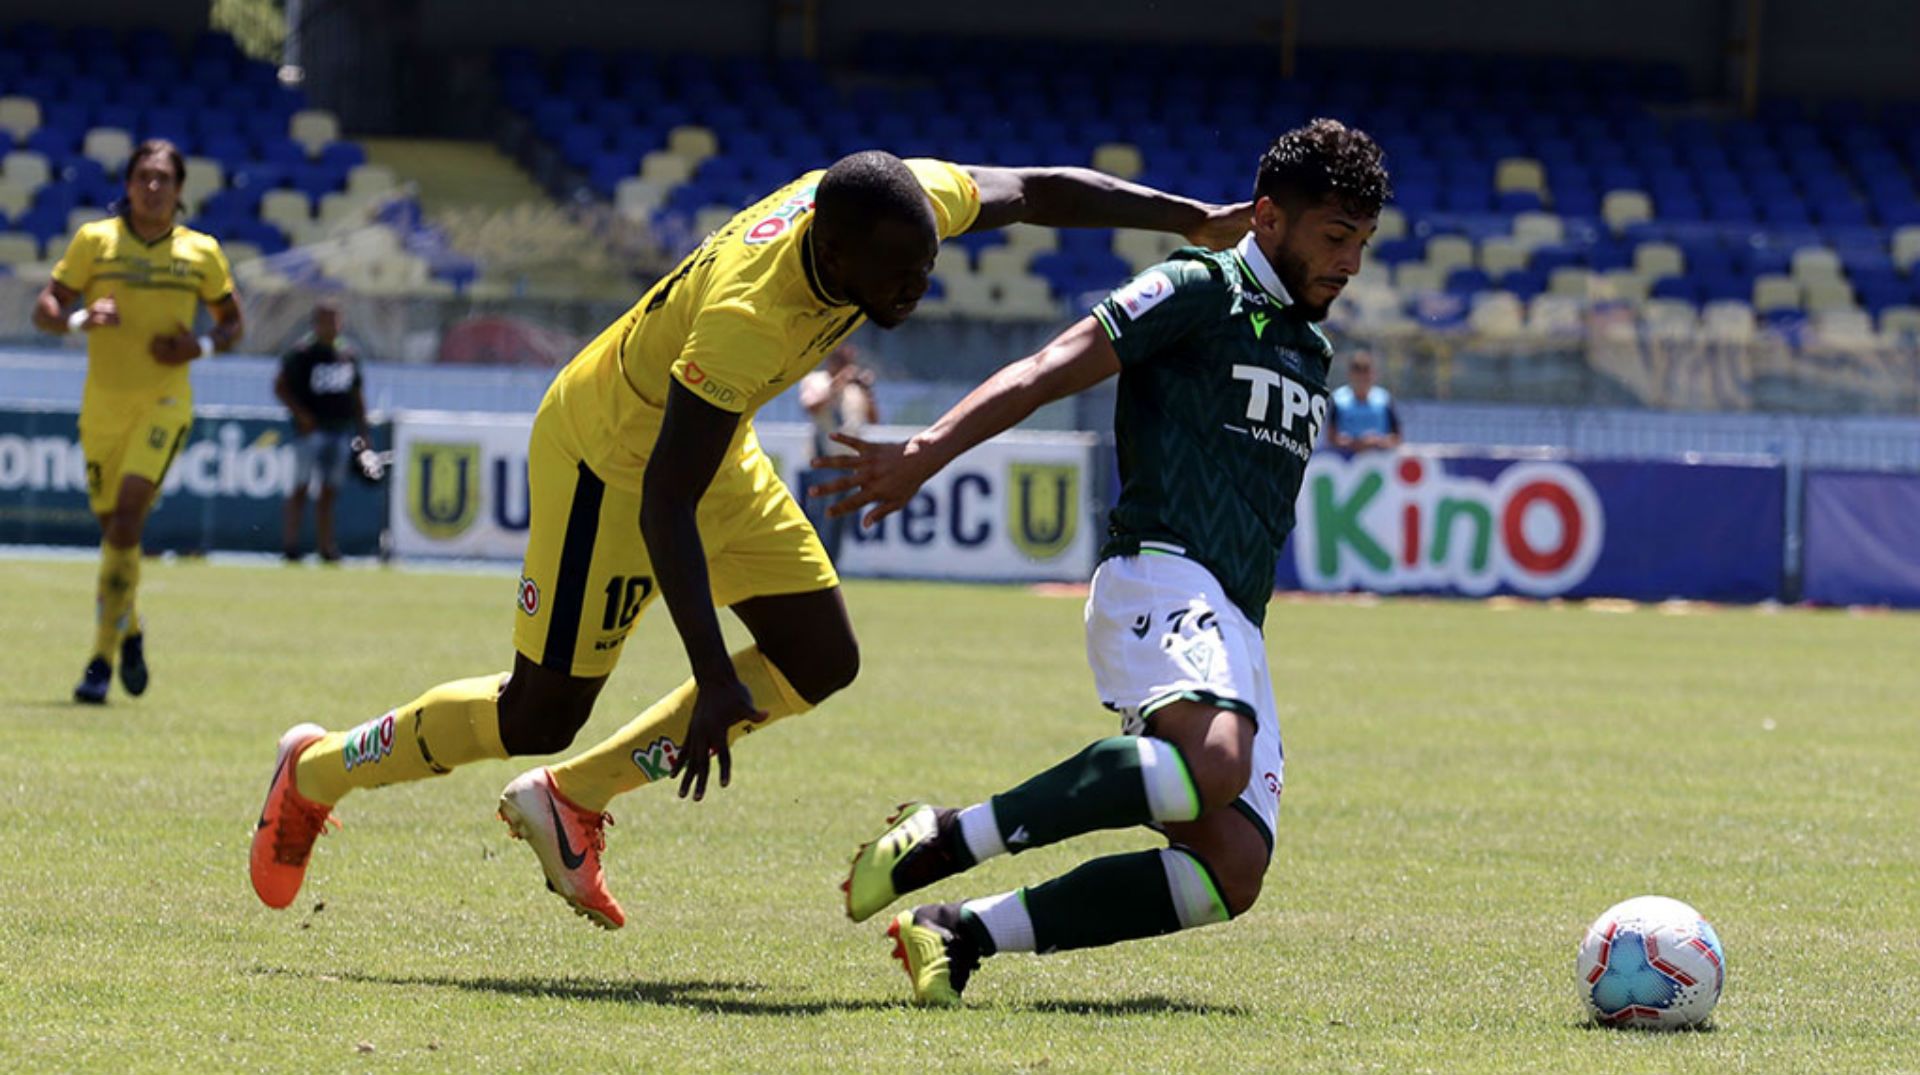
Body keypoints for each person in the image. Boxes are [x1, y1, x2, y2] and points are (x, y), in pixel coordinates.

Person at [249, 150, 1251, 929]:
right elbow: (663, 503)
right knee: (540, 708)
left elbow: (1032, 191)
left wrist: (1187, 217)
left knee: (820, 657)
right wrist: (709, 673)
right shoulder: (749, 315)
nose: (919, 286)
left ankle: (571, 799)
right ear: (835, 254)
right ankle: (317, 769)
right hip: (613, 459)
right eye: (901, 273)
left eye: (926, 264)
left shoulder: (890, 204)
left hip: (709, 446)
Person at [821, 119, 1389, 1004]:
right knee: (1216, 762)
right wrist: (928, 449)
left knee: (1230, 868)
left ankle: (960, 931)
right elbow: (1054, 365)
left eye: (1363, 242)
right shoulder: (1200, 287)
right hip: (1160, 571)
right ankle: (946, 836)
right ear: (1269, 218)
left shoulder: (1310, 350)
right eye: (1335, 235)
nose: (1350, 262)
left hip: (1237, 618)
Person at [31, 139, 244, 704]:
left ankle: (98, 662)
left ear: (179, 190)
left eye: (163, 178)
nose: (153, 187)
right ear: (127, 184)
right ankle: (129, 628)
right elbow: (44, 309)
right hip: (102, 407)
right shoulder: (94, 242)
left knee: (127, 518)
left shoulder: (201, 252)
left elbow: (232, 324)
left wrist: (198, 346)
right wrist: (79, 319)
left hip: (164, 404)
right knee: (115, 534)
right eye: (144, 176)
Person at [275, 300, 370, 562]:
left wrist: (363, 431)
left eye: (336, 320)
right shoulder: (302, 353)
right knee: (300, 488)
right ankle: (291, 546)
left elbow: (357, 395)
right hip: (310, 432)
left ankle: (326, 547)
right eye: (327, 321)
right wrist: (301, 415)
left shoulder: (348, 354)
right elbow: (280, 386)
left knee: (329, 492)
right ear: (315, 324)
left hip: (339, 430)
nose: (332, 326)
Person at [798, 343, 879, 563]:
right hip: (824, 463)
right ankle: (813, 568)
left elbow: (874, 419)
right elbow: (811, 406)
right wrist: (838, 383)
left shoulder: (856, 389)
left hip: (851, 465)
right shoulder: (817, 381)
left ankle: (831, 570)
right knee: (820, 521)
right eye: (841, 361)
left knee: (839, 527)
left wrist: (867, 390)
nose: (847, 367)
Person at [1326, 348, 1401, 453]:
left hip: (1378, 459)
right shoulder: (1338, 399)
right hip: (1346, 459)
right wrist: (1353, 443)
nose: (1361, 381)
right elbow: (1331, 438)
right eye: (1358, 376)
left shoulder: (1384, 399)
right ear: (1350, 375)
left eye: (1365, 375)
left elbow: (1397, 437)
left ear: (1373, 375)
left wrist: (1377, 441)